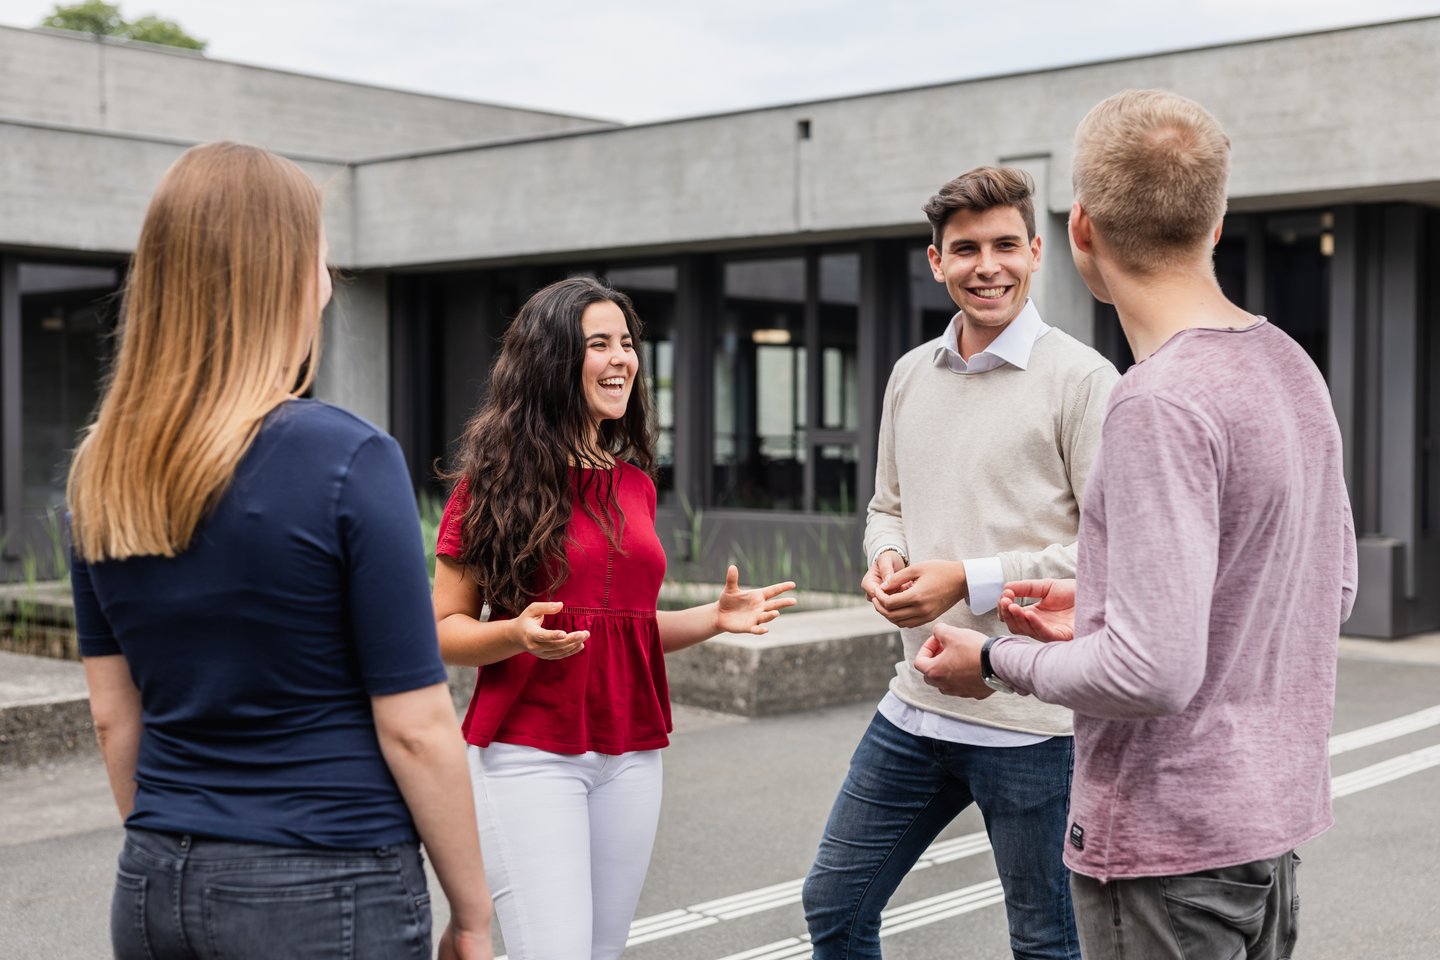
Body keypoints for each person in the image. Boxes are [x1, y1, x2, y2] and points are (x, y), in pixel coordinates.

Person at [914, 89, 1358, 960]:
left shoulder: (1156, 404)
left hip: (1168, 851)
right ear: (1217, 222)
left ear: (1079, 228)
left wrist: (996, 659)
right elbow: (1324, 588)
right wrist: (1100, 605)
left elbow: (1153, 673)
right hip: (1265, 830)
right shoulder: (1289, 365)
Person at [67, 142, 493, 960]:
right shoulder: (349, 458)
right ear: (286, 276)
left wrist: (180, 839)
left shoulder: (104, 468)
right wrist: (472, 914)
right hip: (325, 882)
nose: (329, 284)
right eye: (324, 260)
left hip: (155, 881)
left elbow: (113, 714)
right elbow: (415, 726)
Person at [801, 167, 1119, 960]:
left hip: (1033, 723)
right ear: (935, 260)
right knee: (833, 908)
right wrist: (887, 561)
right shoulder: (911, 374)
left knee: (1045, 943)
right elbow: (887, 505)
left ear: (1037, 250)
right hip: (915, 705)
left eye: (1006, 245)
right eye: (967, 249)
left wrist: (965, 579)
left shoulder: (1084, 381)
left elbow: (1108, 553)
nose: (989, 266)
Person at [431, 275, 797, 960]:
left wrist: (713, 619)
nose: (621, 358)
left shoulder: (633, 483)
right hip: (527, 753)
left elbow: (621, 631)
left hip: (631, 752)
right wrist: (514, 634)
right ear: (553, 361)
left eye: (626, 342)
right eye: (598, 344)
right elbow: (444, 630)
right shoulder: (494, 481)